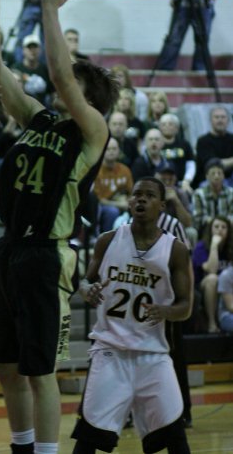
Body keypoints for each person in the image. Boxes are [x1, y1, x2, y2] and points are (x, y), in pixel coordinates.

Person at [0, 0, 119, 454]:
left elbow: (60, 71)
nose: (61, 78)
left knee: (40, 372)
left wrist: (49, 9)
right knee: (6, 365)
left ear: (88, 95)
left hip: (45, 255)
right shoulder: (39, 118)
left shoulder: (92, 131)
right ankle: (21, 448)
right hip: (7, 250)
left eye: (73, 80)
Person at [71, 177, 193, 454]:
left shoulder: (175, 250)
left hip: (153, 355)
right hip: (110, 352)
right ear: (129, 201)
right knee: (89, 436)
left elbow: (185, 307)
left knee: (175, 435)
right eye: (137, 194)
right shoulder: (108, 240)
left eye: (149, 196)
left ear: (162, 206)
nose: (141, 199)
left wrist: (166, 311)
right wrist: (87, 291)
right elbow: (85, 282)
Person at [192, 215, 233, 333]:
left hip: (226, 290)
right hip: (203, 288)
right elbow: (212, 270)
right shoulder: (201, 246)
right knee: (213, 279)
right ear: (210, 229)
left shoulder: (230, 247)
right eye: (216, 226)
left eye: (224, 227)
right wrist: (214, 246)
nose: (220, 229)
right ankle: (211, 322)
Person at [93, 137, 133, 234]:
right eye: (108, 149)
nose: (111, 152)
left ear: (119, 151)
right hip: (103, 206)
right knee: (112, 211)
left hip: (124, 204)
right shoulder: (96, 171)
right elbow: (98, 200)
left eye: (114, 149)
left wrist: (127, 202)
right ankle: (107, 240)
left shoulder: (125, 170)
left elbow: (131, 193)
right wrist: (119, 204)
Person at [194, 106, 233, 187]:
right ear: (210, 120)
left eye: (223, 117)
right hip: (209, 180)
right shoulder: (203, 141)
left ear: (228, 120)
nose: (220, 120)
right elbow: (213, 165)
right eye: (216, 117)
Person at [192, 158, 233, 235]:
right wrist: (216, 226)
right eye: (213, 173)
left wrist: (221, 227)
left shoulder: (231, 193)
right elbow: (198, 218)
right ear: (207, 176)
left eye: (219, 173)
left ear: (223, 175)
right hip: (206, 231)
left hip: (228, 231)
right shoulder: (198, 194)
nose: (216, 176)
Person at [12, 34, 53, 106]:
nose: (32, 51)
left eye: (35, 47)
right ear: (23, 50)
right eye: (29, 47)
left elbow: (52, 93)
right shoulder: (16, 68)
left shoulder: (46, 70)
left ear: (40, 50)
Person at [158, 113, 195, 192]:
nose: (167, 126)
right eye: (164, 124)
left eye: (170, 124)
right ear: (160, 128)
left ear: (177, 128)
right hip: (160, 184)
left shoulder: (185, 144)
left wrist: (186, 181)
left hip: (181, 184)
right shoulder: (156, 145)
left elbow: (191, 165)